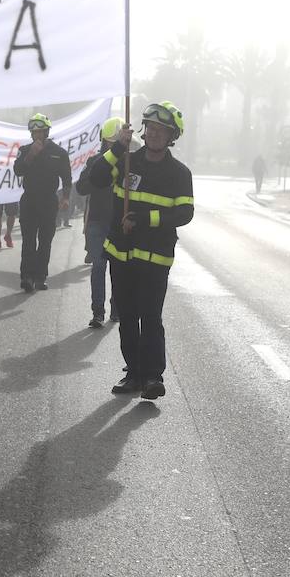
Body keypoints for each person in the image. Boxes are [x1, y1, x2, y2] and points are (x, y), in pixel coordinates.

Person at [82, 100, 194, 401]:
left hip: (155, 259)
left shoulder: (179, 173)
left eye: (162, 130)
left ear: (172, 136)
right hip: (122, 255)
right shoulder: (127, 161)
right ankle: (133, 374)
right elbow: (96, 178)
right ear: (143, 130)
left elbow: (184, 213)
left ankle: (153, 377)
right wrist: (118, 147)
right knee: (128, 317)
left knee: (151, 316)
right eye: (151, 128)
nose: (154, 133)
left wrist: (145, 219)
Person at [13, 113, 72, 291]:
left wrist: (66, 198)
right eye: (34, 132)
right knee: (28, 241)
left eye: (40, 132)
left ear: (46, 132)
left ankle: (40, 276)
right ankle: (27, 277)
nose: (37, 135)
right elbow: (18, 170)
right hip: (29, 201)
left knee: (45, 241)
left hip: (48, 201)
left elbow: (67, 178)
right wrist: (31, 155)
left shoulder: (59, 153)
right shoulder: (24, 150)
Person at [78, 117, 124, 328]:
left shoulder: (130, 163)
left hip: (119, 224)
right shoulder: (94, 162)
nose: (114, 147)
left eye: (118, 143)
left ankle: (117, 309)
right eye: (111, 142)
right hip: (97, 221)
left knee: (119, 269)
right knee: (98, 266)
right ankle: (98, 313)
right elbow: (81, 188)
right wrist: (98, 178)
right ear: (104, 141)